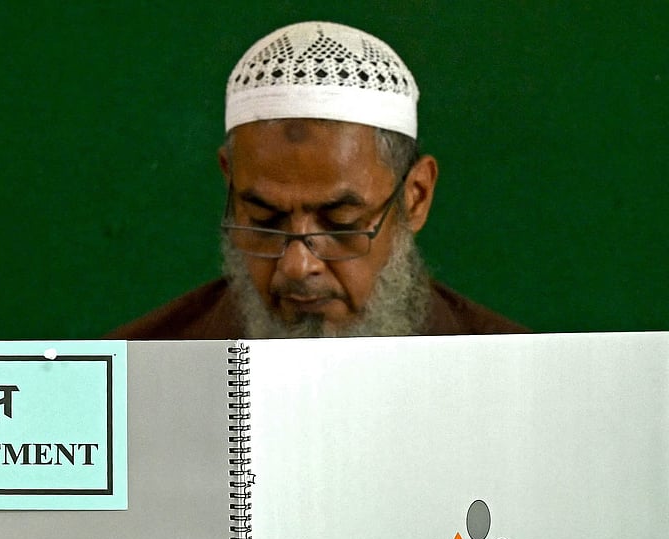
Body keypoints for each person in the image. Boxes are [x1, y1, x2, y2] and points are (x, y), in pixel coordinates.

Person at [109, 21, 527, 339]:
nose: (297, 265)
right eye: (263, 219)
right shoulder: (127, 374)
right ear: (229, 182)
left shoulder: (522, 381)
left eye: (341, 221)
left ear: (415, 197)